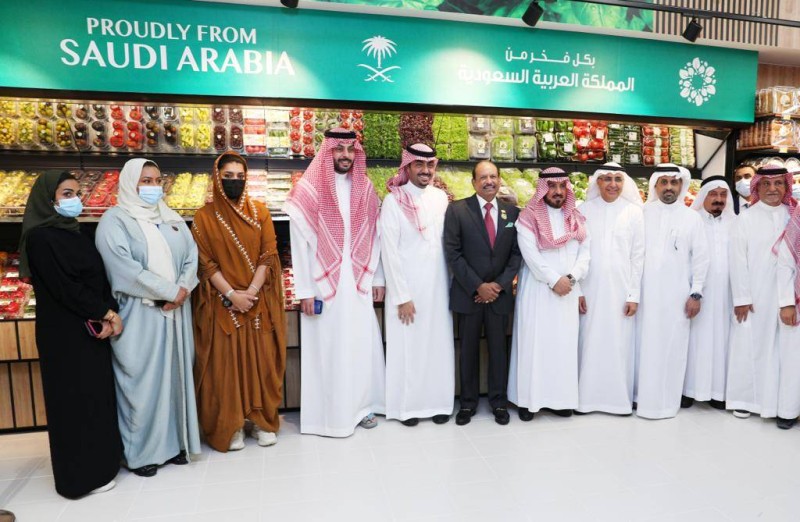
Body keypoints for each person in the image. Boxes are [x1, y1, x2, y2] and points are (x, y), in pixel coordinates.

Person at [19, 171, 122, 498]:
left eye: (77, 193)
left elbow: (97, 278)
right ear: (47, 198)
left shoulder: (75, 232)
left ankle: (103, 465)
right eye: (66, 193)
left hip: (91, 330)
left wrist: (107, 310)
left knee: (95, 399)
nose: (74, 199)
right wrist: (106, 313)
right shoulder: (39, 239)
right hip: (64, 336)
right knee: (72, 404)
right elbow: (65, 288)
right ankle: (78, 479)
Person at [95, 159, 201, 476]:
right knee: (142, 385)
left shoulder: (170, 217)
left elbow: (191, 255)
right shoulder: (115, 221)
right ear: (130, 183)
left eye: (156, 180)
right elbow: (124, 269)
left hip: (176, 312)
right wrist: (169, 291)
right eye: (145, 181)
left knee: (175, 378)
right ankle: (142, 454)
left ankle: (176, 445)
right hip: (141, 315)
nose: (153, 186)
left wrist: (182, 288)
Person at [284, 129, 386, 437]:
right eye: (338, 149)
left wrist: (377, 277)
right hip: (321, 284)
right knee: (328, 348)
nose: (345, 155)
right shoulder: (308, 190)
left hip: (357, 282)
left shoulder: (365, 188)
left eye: (350, 149)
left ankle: (362, 407)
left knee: (360, 344)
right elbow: (299, 244)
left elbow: (375, 235)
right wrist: (304, 290)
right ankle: (329, 416)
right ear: (327, 152)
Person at [191, 151, 287, 451]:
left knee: (261, 362)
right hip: (223, 303)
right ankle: (231, 425)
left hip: (257, 302)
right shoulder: (204, 217)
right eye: (228, 176)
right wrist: (232, 295)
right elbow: (205, 264)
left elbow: (268, 255)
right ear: (217, 178)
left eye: (239, 176)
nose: (234, 181)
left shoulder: (260, 212)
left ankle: (260, 421)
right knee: (226, 367)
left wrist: (250, 293)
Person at [381, 144, 454, 426]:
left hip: (439, 287)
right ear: (408, 167)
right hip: (408, 290)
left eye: (430, 165)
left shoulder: (441, 198)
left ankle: (438, 404)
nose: (425, 170)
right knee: (408, 348)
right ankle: (408, 408)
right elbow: (389, 252)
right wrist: (401, 296)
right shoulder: (393, 201)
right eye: (419, 165)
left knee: (438, 346)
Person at [508, 167, 590, 420]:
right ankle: (528, 401)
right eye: (552, 186)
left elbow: (585, 255)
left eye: (562, 186)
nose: (557, 191)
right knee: (535, 345)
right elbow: (530, 256)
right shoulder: (528, 217)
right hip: (538, 291)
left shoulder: (577, 218)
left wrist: (571, 279)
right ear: (543, 189)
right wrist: (555, 280)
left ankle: (560, 400)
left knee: (563, 346)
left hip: (567, 291)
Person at [444, 160, 521, 426]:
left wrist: (497, 286)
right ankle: (467, 403)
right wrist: (478, 286)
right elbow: (453, 253)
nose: (489, 181)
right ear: (473, 182)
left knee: (499, 350)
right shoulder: (457, 210)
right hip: (469, 294)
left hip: (499, 295)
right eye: (483, 177)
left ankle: (499, 402)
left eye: (493, 177)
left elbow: (516, 254)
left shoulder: (513, 213)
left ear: (499, 180)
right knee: (468, 350)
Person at [727, 166, 800, 428]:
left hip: (789, 294)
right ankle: (745, 401)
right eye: (766, 184)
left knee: (786, 351)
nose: (772, 189)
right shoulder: (746, 218)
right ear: (756, 187)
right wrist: (742, 298)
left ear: (786, 186)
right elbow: (737, 261)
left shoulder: (793, 215)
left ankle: (783, 406)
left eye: (778, 183)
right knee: (751, 345)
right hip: (756, 294)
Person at [635, 164, 709, 420]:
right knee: (642, 345)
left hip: (677, 296)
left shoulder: (692, 218)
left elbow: (701, 259)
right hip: (644, 295)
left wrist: (696, 293)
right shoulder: (642, 213)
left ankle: (666, 402)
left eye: (674, 182)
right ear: (655, 185)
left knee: (672, 347)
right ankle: (639, 397)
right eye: (664, 182)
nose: (669, 187)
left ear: (681, 186)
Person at [576, 163, 644, 416]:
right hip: (589, 288)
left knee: (619, 343)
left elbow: (638, 256)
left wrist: (633, 295)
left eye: (617, 179)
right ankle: (585, 400)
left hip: (621, 290)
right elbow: (575, 253)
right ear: (598, 182)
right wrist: (578, 290)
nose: (612, 184)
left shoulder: (634, 212)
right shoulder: (583, 210)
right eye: (607, 179)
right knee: (589, 340)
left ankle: (618, 401)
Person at [682, 176, 734, 410]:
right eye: (713, 194)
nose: (718, 199)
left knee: (722, 341)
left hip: (726, 294)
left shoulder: (735, 223)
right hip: (696, 292)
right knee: (695, 340)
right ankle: (688, 390)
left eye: (723, 195)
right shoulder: (691, 221)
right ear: (703, 196)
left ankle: (717, 392)